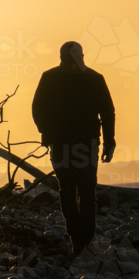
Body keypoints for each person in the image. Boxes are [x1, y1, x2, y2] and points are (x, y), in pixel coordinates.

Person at [31, 41, 116, 256]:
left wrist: (46, 132)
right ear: (82, 55)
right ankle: (86, 240)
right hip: (87, 142)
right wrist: (109, 141)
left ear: (61, 57)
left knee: (67, 190)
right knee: (87, 191)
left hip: (61, 142)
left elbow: (37, 108)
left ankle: (77, 240)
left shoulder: (50, 77)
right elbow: (107, 112)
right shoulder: (94, 78)